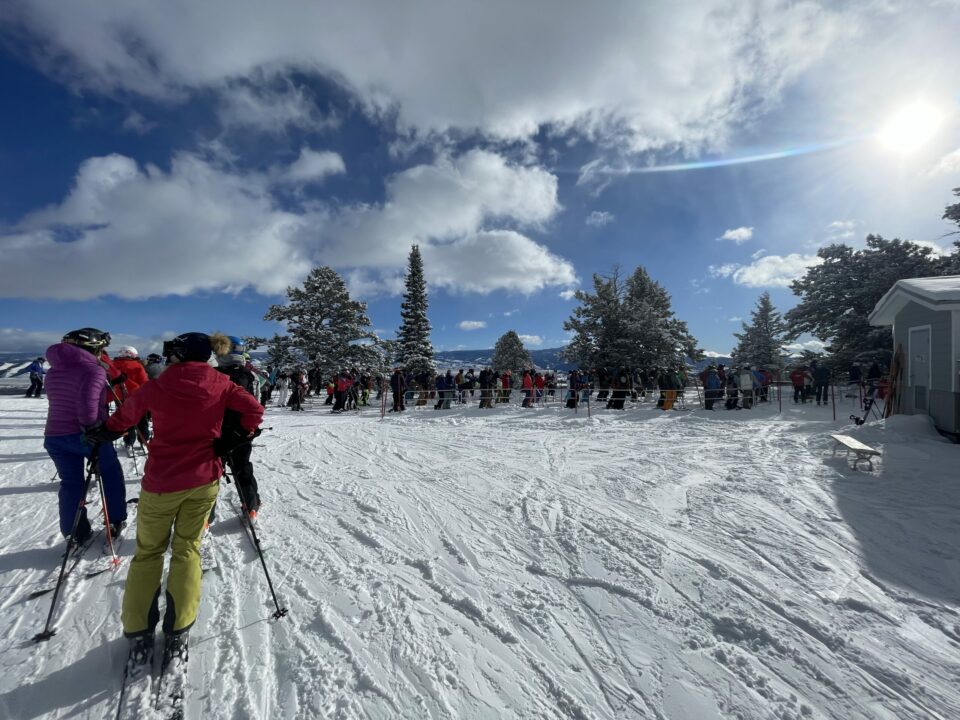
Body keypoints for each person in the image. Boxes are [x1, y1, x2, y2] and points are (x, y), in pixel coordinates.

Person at [88, 332, 262, 672]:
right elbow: (254, 410)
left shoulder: (160, 384)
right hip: (203, 480)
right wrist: (236, 436)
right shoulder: (221, 382)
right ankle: (179, 627)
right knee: (187, 549)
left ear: (180, 355)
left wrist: (104, 431)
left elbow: (126, 416)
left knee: (149, 552)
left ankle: (139, 628)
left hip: (162, 482)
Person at [43, 328, 127, 545]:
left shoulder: (54, 369)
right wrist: (93, 428)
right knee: (110, 474)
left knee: (71, 484)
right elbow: (87, 403)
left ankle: (75, 531)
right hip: (85, 434)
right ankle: (115, 519)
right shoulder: (94, 370)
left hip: (55, 435)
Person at [211, 334, 263, 520]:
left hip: (216, 431)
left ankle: (205, 515)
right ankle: (251, 505)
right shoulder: (251, 376)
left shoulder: (213, 375)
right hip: (242, 431)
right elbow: (256, 402)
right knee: (243, 467)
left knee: (212, 471)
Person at [112, 346, 150, 456]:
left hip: (119, 398)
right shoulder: (137, 366)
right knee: (142, 420)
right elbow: (144, 383)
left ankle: (128, 442)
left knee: (125, 421)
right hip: (137, 398)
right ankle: (144, 441)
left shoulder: (113, 366)